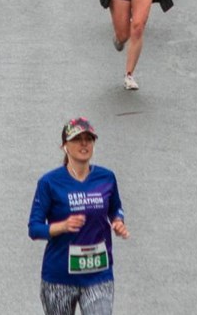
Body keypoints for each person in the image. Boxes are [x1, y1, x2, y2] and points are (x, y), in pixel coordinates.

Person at [28, 118, 129, 315]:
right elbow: (34, 228)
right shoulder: (49, 182)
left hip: (98, 275)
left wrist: (118, 221)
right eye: (77, 139)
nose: (84, 144)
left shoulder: (106, 178)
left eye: (89, 139)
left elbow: (116, 208)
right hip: (59, 278)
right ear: (65, 146)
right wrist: (62, 226)